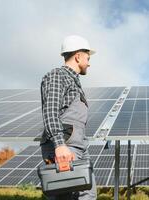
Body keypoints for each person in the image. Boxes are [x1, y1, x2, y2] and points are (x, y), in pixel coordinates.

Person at [40, 35, 97, 200]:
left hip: (78, 146)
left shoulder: (74, 82)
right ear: (78, 56)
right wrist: (59, 145)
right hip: (65, 146)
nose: (89, 62)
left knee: (87, 193)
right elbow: (50, 111)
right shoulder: (58, 75)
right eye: (88, 57)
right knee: (65, 196)